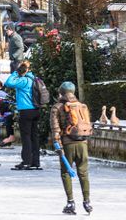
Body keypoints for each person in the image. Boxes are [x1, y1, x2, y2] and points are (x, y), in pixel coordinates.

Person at [50, 81, 92, 215]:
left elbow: (55, 129)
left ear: (60, 92)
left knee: (66, 172)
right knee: (83, 172)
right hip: (83, 143)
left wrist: (57, 145)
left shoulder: (57, 107)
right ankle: (87, 201)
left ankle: (70, 202)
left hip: (67, 144)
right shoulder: (82, 106)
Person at [6, 61, 42, 171]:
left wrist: (15, 73)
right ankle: (35, 162)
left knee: (26, 137)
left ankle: (26, 161)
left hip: (26, 111)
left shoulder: (24, 80)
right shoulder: (34, 79)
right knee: (34, 136)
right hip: (36, 110)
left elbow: (8, 83)